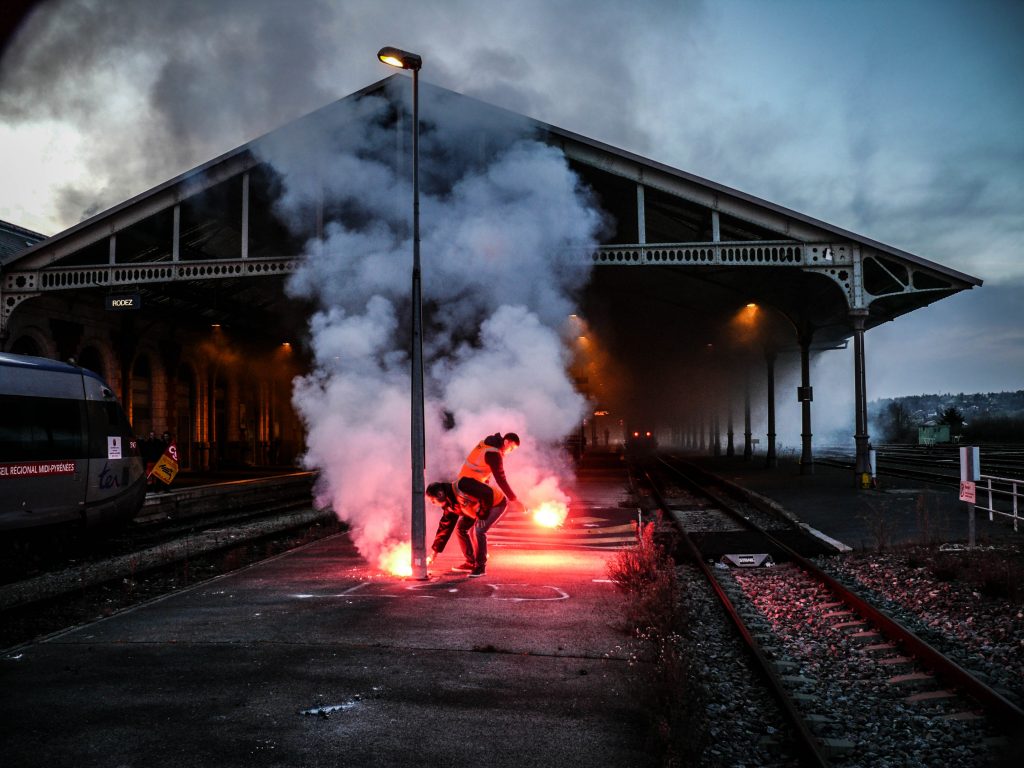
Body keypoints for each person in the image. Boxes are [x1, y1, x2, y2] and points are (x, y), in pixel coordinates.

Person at [426, 479, 510, 577]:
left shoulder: (462, 485)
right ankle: (470, 563)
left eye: (432, 500)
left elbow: (488, 493)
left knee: (478, 530)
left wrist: (482, 515)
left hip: (495, 503)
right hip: (477, 510)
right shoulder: (449, 504)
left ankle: (480, 567)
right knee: (460, 528)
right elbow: (445, 527)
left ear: (440, 494)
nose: (432, 503)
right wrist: (435, 551)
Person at [456, 432, 521, 518]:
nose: (511, 451)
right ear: (506, 442)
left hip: (465, 481)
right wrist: (514, 500)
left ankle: (463, 529)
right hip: (469, 484)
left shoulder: (488, 444)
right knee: (501, 501)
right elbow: (501, 479)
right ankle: (480, 529)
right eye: (511, 448)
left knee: (481, 504)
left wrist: (486, 482)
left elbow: (483, 467)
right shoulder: (494, 453)